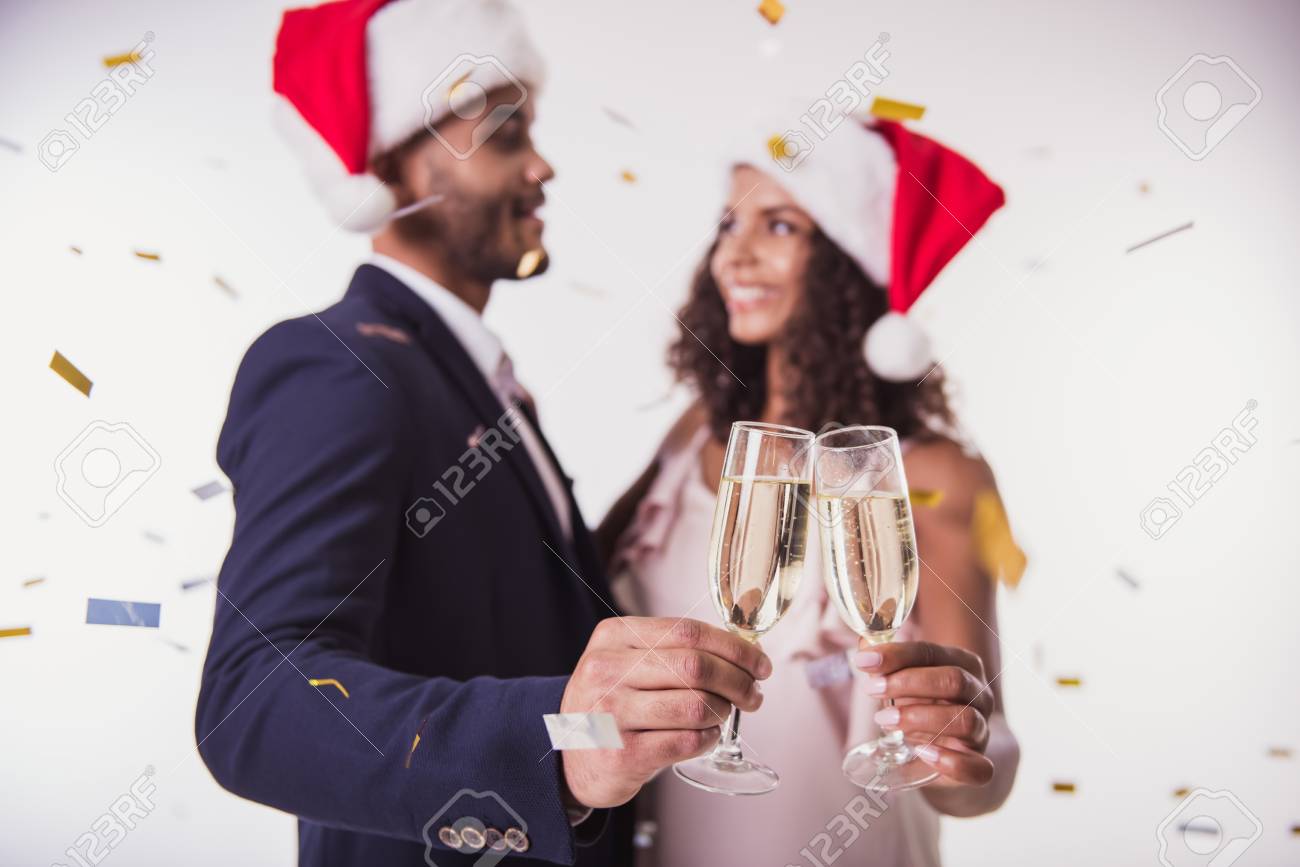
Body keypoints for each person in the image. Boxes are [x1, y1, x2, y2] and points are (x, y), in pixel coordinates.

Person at [195, 1, 771, 865]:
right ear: (389, 164)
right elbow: (257, 699)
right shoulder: (334, 365)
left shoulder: (481, 388)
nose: (541, 165)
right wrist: (561, 743)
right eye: (503, 136)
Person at [598, 116, 1024, 865]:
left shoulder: (935, 476)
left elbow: (984, 775)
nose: (738, 251)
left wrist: (960, 748)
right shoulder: (694, 437)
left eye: (782, 224)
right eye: (730, 221)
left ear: (843, 262)